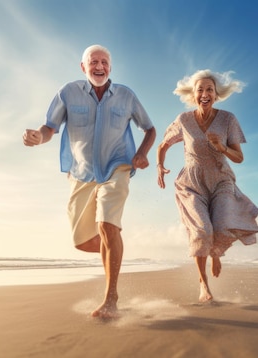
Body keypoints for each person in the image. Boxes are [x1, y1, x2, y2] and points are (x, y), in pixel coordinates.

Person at [23, 44, 156, 318]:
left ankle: (111, 297)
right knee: (81, 241)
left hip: (117, 167)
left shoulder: (126, 96)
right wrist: (38, 135)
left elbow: (150, 128)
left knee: (107, 225)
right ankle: (114, 245)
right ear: (83, 67)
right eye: (93, 62)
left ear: (111, 67)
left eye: (104, 62)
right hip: (81, 173)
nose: (99, 67)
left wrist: (141, 154)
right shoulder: (68, 93)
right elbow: (50, 126)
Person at [156, 69, 258, 302]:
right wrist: (159, 166)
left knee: (221, 226)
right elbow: (163, 145)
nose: (205, 93)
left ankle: (215, 253)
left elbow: (239, 158)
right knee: (202, 231)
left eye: (209, 90)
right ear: (193, 95)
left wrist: (221, 147)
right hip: (192, 183)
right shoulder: (184, 120)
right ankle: (204, 285)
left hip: (221, 179)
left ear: (216, 94)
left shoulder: (228, 119)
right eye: (200, 90)